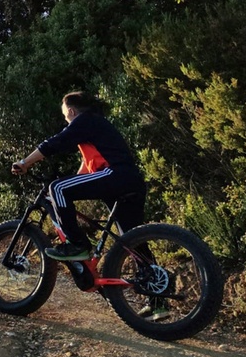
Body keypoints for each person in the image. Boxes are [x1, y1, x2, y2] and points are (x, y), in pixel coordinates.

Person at [11, 91, 146, 261]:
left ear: (71, 111)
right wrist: (71, 184)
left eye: (64, 115)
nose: (65, 120)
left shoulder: (85, 120)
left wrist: (25, 163)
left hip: (115, 174)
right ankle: (153, 278)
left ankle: (77, 245)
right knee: (131, 238)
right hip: (131, 180)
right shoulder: (96, 125)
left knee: (57, 187)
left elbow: (54, 143)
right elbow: (87, 167)